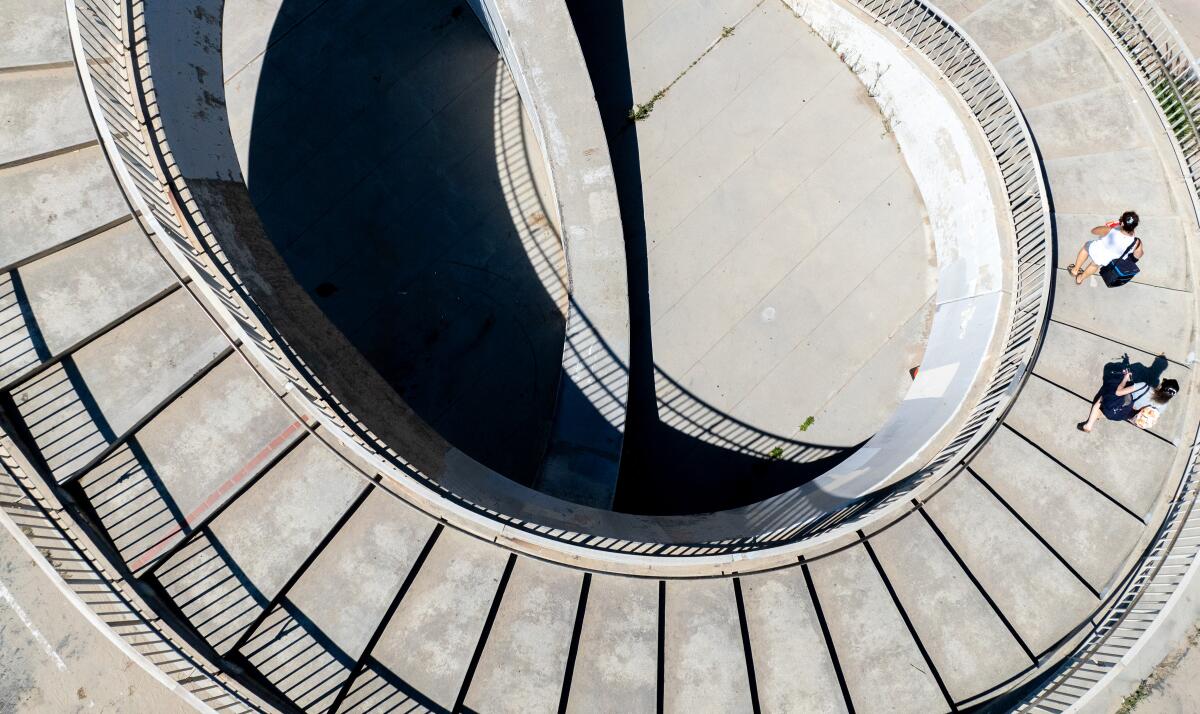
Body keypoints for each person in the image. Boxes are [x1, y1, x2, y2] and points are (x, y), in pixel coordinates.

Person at [1078, 371, 1178, 432]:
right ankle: (1101, 415)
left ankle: (1088, 425)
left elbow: (1118, 392)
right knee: (1107, 413)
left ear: (1161, 386)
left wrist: (1125, 379)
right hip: (1127, 416)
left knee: (1103, 397)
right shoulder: (1164, 406)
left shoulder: (1144, 387)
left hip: (1120, 406)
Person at [1068, 211, 1143, 285]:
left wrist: (1109, 226)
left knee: (1086, 248)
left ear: (1122, 223)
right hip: (1106, 259)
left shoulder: (1111, 231)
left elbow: (1093, 231)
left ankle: (1075, 270)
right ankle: (1080, 278)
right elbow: (1138, 255)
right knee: (1094, 264)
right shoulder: (1136, 242)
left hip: (1095, 249)